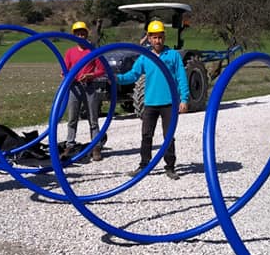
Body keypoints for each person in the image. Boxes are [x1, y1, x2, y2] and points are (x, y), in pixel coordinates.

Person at [116, 20, 190, 180]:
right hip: (150, 103)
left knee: (168, 136)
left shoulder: (173, 55)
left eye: (160, 37)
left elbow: (181, 78)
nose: (158, 41)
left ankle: (170, 167)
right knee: (146, 135)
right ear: (149, 38)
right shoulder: (145, 57)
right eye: (154, 37)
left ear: (164, 37)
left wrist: (184, 99)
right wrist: (117, 78)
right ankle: (144, 165)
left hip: (169, 103)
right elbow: (133, 75)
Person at [63, 21, 107, 161]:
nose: (80, 36)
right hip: (74, 87)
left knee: (93, 119)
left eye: (83, 34)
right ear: (74, 36)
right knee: (72, 118)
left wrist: (90, 75)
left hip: (89, 86)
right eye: (78, 34)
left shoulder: (93, 51)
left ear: (87, 34)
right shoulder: (70, 52)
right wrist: (67, 76)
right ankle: (70, 144)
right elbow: (64, 71)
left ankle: (96, 147)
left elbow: (101, 70)